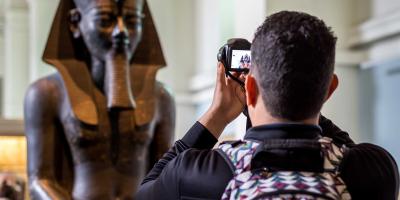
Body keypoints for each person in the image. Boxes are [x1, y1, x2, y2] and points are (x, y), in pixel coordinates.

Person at [136, 11, 399, 200]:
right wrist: (307, 93)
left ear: (250, 89)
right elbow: (346, 148)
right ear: (329, 89)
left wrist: (216, 116)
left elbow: (145, 191)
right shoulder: (375, 171)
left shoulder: (197, 174)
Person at [24, 0, 175, 199]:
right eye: (105, 20)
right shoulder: (46, 93)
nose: (120, 31)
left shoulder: (161, 97)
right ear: (75, 23)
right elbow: (41, 180)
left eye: (131, 21)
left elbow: (163, 177)